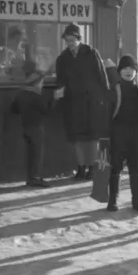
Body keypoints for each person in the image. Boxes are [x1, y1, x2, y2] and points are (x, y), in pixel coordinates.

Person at [54, 24, 111, 181]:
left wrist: (104, 98)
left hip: (92, 101)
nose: (70, 43)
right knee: (77, 137)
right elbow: (61, 80)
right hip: (73, 102)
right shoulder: (63, 58)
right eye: (67, 40)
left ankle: (92, 168)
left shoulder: (91, 53)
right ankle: (80, 167)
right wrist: (60, 92)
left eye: (72, 40)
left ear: (79, 39)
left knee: (92, 137)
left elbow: (102, 76)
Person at [107, 54, 138, 213]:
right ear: (119, 71)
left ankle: (137, 201)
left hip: (135, 132)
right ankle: (112, 200)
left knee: (135, 167)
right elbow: (107, 114)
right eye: (124, 68)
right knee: (115, 167)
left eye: (131, 69)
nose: (128, 71)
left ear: (136, 72)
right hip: (117, 131)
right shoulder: (114, 90)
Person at [10, 54, 53, 189]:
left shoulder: (21, 95)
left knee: (30, 154)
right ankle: (35, 178)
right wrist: (55, 99)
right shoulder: (36, 96)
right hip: (36, 127)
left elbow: (14, 109)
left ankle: (31, 177)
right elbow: (47, 111)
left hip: (25, 126)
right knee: (37, 153)